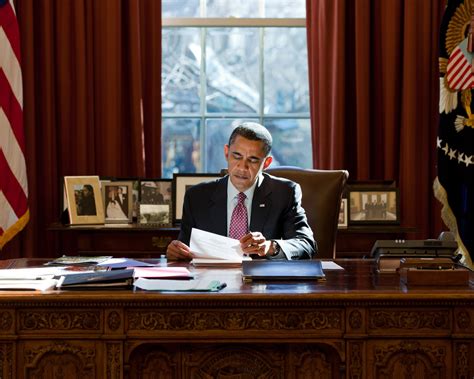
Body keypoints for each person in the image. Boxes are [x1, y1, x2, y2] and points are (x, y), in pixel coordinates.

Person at [166, 122, 316, 260]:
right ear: (226, 153)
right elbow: (184, 249)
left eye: (253, 160)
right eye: (236, 156)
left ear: (267, 163)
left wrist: (270, 247)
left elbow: (307, 245)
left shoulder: (285, 194)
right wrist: (176, 252)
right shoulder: (197, 197)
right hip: (212, 283)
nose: (242, 167)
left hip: (261, 284)